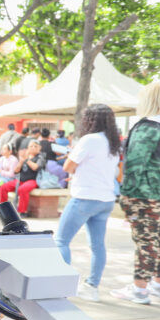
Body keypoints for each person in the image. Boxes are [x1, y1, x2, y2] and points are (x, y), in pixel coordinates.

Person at [112, 82, 160, 304]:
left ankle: (139, 289)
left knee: (146, 241)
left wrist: (126, 195)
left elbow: (135, 165)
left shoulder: (149, 127)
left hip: (145, 194)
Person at [53, 104, 122, 301]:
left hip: (85, 197)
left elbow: (68, 167)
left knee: (61, 241)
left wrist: (74, 163)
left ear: (90, 120)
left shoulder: (89, 140)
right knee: (97, 246)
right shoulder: (113, 143)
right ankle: (92, 287)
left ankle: (61, 288)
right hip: (106, 200)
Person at [0, 140, 44, 216]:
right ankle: (3, 210)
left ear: (39, 148)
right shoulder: (25, 157)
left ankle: (22, 211)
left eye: (35, 146)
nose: (33, 148)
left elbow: (35, 167)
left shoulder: (40, 157)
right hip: (20, 180)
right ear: (28, 148)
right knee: (3, 187)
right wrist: (21, 162)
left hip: (33, 180)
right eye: (31, 146)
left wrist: (26, 160)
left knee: (22, 189)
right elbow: (16, 171)